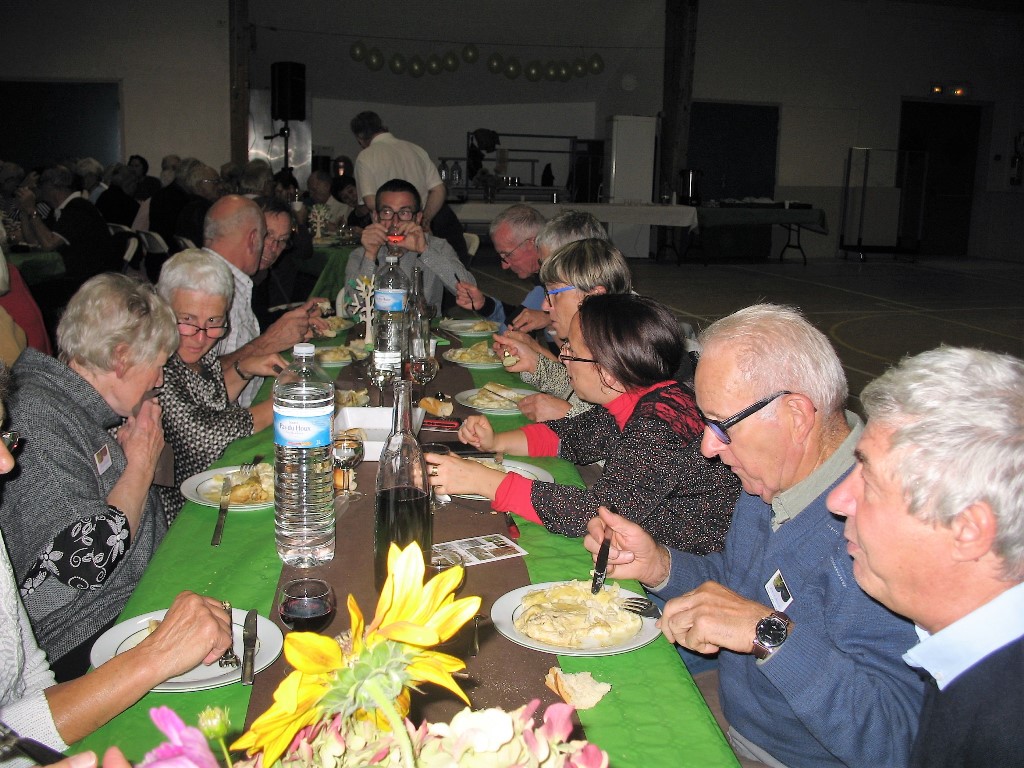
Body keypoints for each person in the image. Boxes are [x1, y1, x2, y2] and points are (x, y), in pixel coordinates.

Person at [582, 304, 925, 767]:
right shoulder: (770, 480)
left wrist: (768, 634)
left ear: (797, 415)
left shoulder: (882, 535)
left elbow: (898, 739)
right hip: (733, 713)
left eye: (722, 425)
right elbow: (741, 582)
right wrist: (661, 565)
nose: (708, 446)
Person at [826, 346, 1024, 767]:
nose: (839, 499)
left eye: (871, 482)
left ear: (967, 530)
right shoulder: (964, 652)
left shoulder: (1004, 734)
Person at [428, 294, 739, 554]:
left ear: (608, 372)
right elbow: (572, 437)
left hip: (690, 563)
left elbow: (594, 514)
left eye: (571, 352)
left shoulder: (656, 428)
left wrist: (483, 481)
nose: (562, 359)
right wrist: (496, 442)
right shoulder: (644, 396)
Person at [0, 274, 179, 682]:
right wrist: (139, 465)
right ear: (121, 357)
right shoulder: (38, 419)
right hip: (83, 637)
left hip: (135, 600)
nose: (161, 380)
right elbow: (79, 561)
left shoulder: (83, 407)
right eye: (159, 366)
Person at [156, 249, 285, 522]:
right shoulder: (155, 360)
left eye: (214, 322)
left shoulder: (193, 351)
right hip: (176, 517)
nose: (201, 337)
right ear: (162, 309)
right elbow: (206, 437)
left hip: (207, 495)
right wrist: (283, 404)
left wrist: (242, 369)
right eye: (187, 321)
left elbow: (206, 400)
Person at [205, 195, 326, 406]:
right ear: (252, 235)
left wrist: (290, 326)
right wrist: (270, 341)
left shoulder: (246, 280)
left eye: (281, 241)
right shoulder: (207, 286)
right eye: (266, 235)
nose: (271, 247)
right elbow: (196, 381)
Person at [350, 110, 468, 263]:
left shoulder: (366, 156)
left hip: (391, 236)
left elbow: (372, 202)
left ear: (360, 138)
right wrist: (424, 219)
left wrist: (389, 216)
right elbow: (439, 190)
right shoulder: (416, 149)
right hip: (420, 230)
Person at [344, 179, 474, 314]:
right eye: (387, 213)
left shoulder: (436, 246)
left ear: (417, 218)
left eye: (404, 213)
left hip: (424, 331)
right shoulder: (361, 254)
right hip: (377, 331)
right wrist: (370, 257)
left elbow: (470, 293)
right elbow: (351, 309)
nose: (395, 222)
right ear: (376, 217)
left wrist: (425, 252)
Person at [454, 204, 548, 331]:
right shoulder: (545, 278)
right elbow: (521, 317)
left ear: (533, 242)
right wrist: (484, 305)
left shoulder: (561, 278)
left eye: (508, 254)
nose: (504, 265)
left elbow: (510, 329)